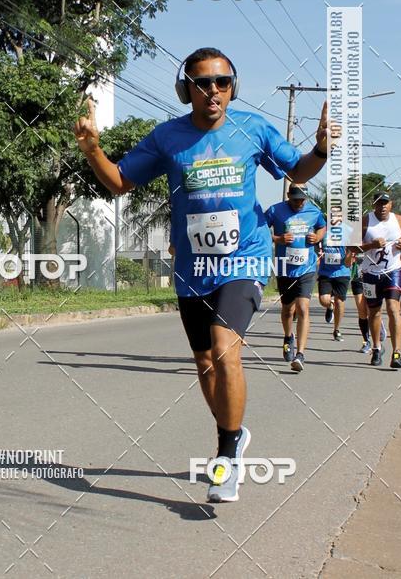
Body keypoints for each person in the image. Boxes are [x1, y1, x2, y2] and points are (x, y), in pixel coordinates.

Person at [73, 47, 335, 503]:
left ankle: (227, 457)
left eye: (221, 82)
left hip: (244, 260)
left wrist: (321, 149)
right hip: (193, 268)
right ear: (185, 89)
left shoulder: (252, 129)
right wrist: (93, 149)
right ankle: (234, 430)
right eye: (201, 82)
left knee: (223, 348)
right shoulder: (167, 137)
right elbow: (118, 182)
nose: (212, 90)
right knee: (205, 364)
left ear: (232, 87)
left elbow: (298, 168)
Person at [265, 186, 326, 372]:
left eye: (302, 200)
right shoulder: (275, 210)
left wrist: (317, 237)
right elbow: (260, 230)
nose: (299, 203)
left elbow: (322, 226)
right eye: (295, 200)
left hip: (306, 267)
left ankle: (300, 354)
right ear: (288, 196)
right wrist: (278, 239)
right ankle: (288, 336)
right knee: (287, 310)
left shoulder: (314, 211)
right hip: (284, 266)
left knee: (302, 308)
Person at [356, 193, 401, 368]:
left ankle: (397, 353)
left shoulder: (399, 220)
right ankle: (377, 348)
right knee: (374, 312)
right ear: (374, 205)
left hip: (393, 271)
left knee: (393, 309)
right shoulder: (365, 222)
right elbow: (351, 246)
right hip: (370, 273)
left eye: (385, 203)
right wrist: (370, 245)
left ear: (391, 204)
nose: (383, 207)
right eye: (379, 204)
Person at [317, 243, 354, 341]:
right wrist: (318, 252)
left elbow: (350, 256)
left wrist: (349, 254)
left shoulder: (347, 230)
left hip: (342, 272)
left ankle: (336, 330)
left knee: (340, 301)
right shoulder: (323, 230)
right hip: (325, 272)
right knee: (323, 300)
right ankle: (330, 306)